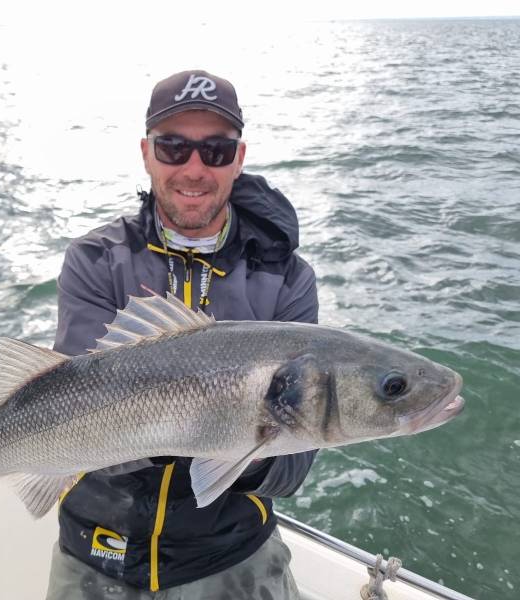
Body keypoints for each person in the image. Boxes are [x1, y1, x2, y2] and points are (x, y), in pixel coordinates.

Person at [47, 70, 319, 599]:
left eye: (215, 151)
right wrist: (200, 418)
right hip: (95, 554)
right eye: (174, 147)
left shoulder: (288, 279)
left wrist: (249, 447)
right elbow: (68, 410)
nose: (194, 169)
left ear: (239, 159)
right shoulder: (95, 259)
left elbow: (292, 472)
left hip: (230, 559)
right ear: (147, 153)